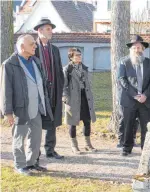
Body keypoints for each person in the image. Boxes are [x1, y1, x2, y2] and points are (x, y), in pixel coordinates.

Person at [0, 34, 53, 175]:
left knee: (35, 137)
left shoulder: (36, 61)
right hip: (20, 110)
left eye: (34, 44)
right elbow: (6, 90)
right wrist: (8, 112)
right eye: (32, 44)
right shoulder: (9, 64)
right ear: (22, 47)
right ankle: (20, 165)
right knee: (19, 138)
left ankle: (31, 163)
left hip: (36, 108)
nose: (35, 46)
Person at [118, 35, 150, 156]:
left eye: (139, 47)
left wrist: (145, 95)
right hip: (129, 99)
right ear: (131, 49)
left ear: (143, 49)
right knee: (128, 124)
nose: (137, 50)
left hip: (146, 100)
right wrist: (135, 95)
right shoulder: (124, 62)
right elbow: (122, 80)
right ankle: (126, 147)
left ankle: (145, 149)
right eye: (134, 48)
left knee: (146, 126)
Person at [34, 18, 64, 159]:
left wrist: (61, 90)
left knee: (52, 120)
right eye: (48, 29)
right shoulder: (32, 48)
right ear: (39, 30)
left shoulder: (54, 49)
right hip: (38, 92)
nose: (51, 31)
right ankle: (35, 152)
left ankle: (50, 150)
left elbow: (59, 71)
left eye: (51, 29)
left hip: (53, 90)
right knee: (37, 122)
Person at [63, 48, 97, 154]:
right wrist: (65, 98)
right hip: (73, 98)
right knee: (72, 123)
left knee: (87, 121)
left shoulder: (85, 68)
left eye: (80, 55)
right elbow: (63, 86)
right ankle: (74, 146)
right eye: (76, 55)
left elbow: (88, 83)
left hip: (85, 97)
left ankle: (88, 144)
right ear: (71, 57)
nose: (79, 57)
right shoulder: (67, 69)